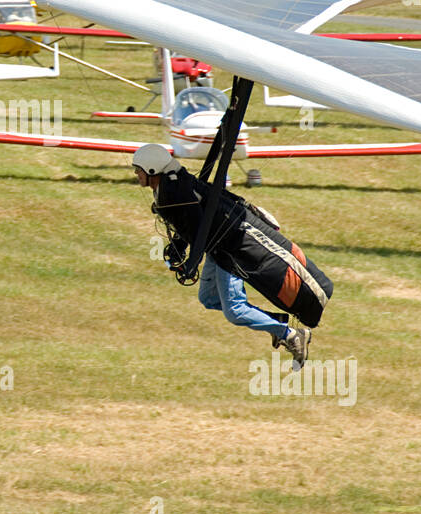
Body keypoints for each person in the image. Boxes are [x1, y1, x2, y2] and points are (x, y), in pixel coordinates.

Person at [132, 143, 311, 368]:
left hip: (230, 246)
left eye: (138, 170)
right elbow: (189, 222)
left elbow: (198, 227)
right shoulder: (168, 186)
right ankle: (273, 322)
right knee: (208, 299)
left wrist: (191, 262)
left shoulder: (174, 191)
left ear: (151, 169)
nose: (136, 175)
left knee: (235, 310)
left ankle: (291, 335)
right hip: (217, 245)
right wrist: (179, 245)